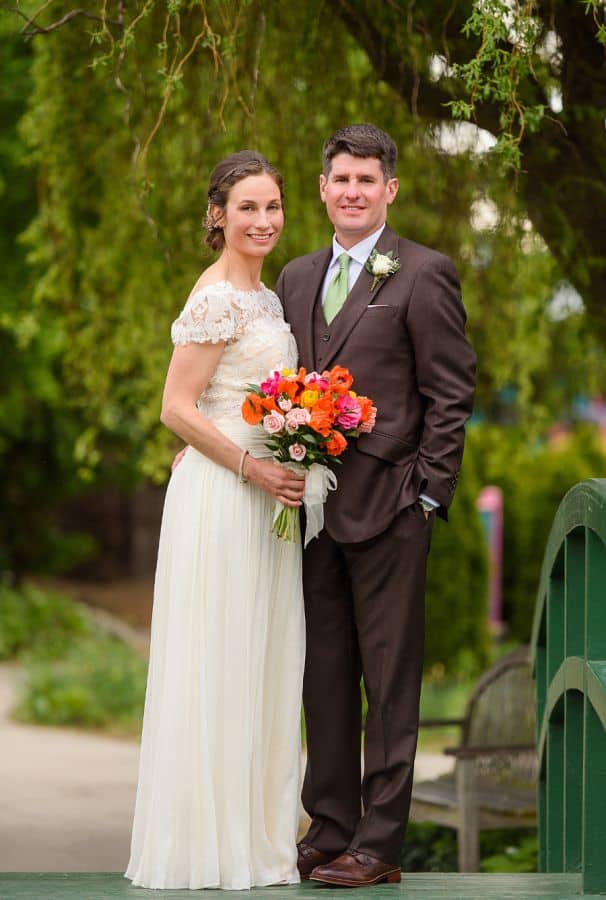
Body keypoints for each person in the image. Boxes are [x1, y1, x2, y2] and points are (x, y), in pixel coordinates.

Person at [276, 124, 476, 888]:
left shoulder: (424, 273)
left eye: (367, 180)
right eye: (342, 179)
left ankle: (379, 844)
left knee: (389, 684)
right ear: (323, 189)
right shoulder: (296, 277)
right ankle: (328, 830)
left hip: (393, 509)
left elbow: (450, 393)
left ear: (389, 189)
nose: (353, 191)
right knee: (323, 677)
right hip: (311, 514)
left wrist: (426, 494)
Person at [125, 150, 306, 890]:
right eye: (247, 208)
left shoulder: (267, 298)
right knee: (220, 659)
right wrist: (248, 466)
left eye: (272, 207)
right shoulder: (216, 298)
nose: (262, 221)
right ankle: (208, 846)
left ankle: (257, 842)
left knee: (263, 658)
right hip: (228, 496)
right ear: (217, 216)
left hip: (267, 496)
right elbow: (175, 407)